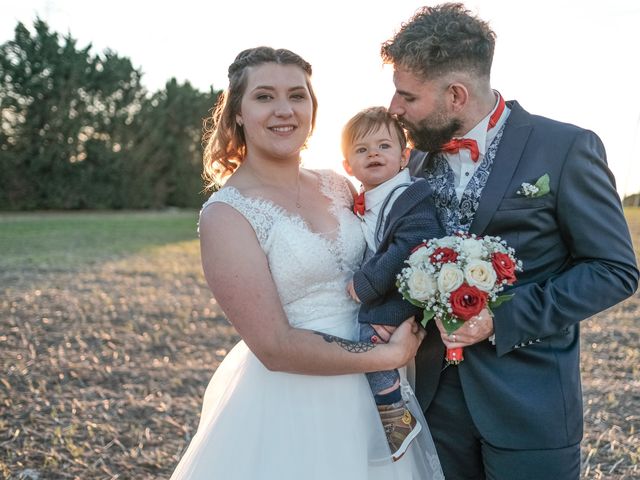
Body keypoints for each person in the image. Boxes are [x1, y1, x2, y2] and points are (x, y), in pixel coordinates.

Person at [378, 3, 640, 479]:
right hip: (434, 407)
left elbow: (614, 270)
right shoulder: (411, 164)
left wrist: (500, 320)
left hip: (531, 404)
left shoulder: (564, 148)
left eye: (407, 96)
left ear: (455, 95)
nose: (394, 109)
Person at [170, 46, 444, 479]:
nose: (285, 110)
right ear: (237, 112)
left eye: (297, 96)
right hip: (294, 403)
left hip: (379, 398)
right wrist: (383, 356)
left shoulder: (338, 185)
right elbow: (275, 346)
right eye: (264, 96)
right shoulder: (227, 214)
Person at [340, 106, 445, 460]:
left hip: (404, 294)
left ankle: (393, 414)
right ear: (347, 165)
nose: (373, 154)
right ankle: (384, 414)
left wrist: (366, 284)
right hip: (390, 294)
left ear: (404, 157)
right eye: (361, 149)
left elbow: (408, 247)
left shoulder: (409, 197)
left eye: (384, 146)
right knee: (365, 338)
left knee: (369, 340)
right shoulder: (366, 201)